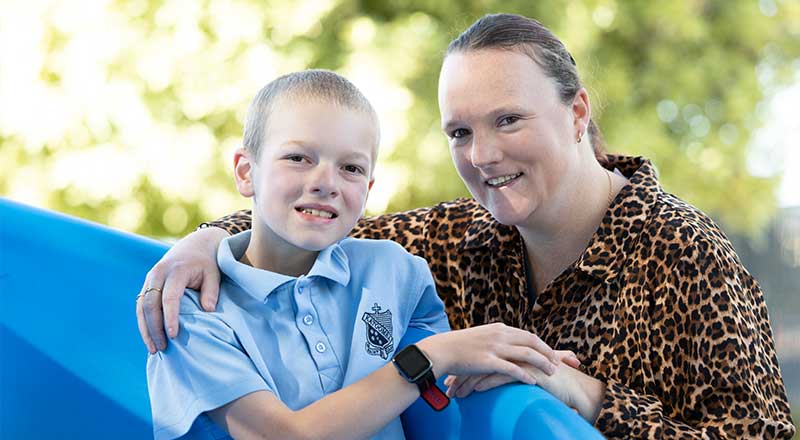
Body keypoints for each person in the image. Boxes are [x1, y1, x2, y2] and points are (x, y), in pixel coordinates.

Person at [137, 14, 796, 439]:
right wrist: (202, 241)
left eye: (508, 120)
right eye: (460, 131)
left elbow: (758, 435)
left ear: (576, 113)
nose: (481, 156)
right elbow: (309, 223)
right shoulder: (455, 237)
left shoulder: (679, 251)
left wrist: (584, 393)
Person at [145, 69, 578, 440]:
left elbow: (443, 395)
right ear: (246, 171)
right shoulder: (192, 311)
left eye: (350, 168)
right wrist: (432, 357)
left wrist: (518, 362)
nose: (325, 182)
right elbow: (283, 436)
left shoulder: (395, 272)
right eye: (298, 157)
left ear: (368, 189)